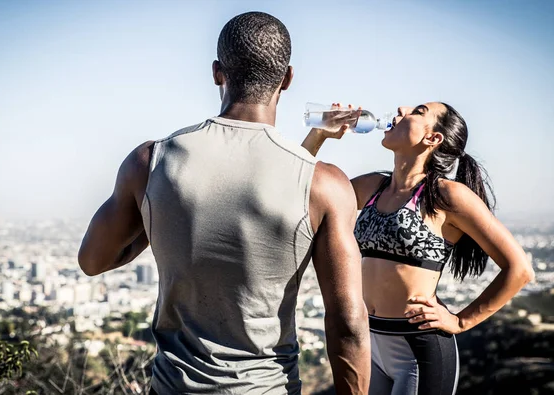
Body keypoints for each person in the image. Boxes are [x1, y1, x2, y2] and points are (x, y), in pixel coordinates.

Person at [78, 13, 371, 395]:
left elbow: (93, 260)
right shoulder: (325, 184)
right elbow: (348, 321)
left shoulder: (150, 162)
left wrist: (161, 213)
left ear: (217, 72)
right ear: (287, 78)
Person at [301, 103, 534, 395]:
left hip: (419, 350)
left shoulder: (445, 195)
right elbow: (298, 191)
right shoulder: (373, 186)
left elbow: (520, 270)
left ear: (432, 139)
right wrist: (319, 135)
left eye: (419, 110)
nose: (402, 108)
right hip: (369, 342)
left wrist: (461, 321)